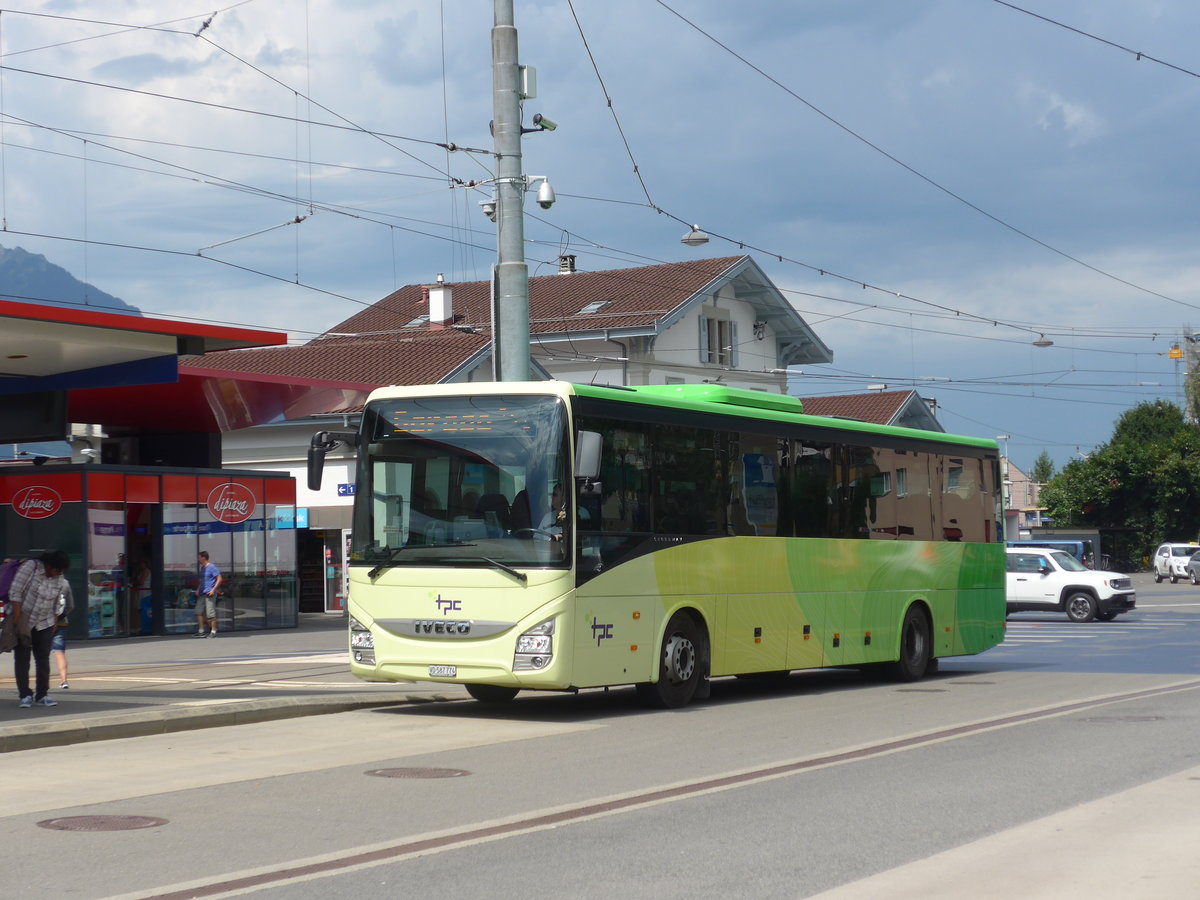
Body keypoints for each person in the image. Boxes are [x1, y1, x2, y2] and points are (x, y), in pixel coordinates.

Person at [10, 549, 71, 709]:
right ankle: (25, 695)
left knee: (43, 658)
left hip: (45, 621)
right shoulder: (31, 567)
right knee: (22, 658)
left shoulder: (59, 576)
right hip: (25, 619)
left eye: (60, 571)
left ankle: (42, 694)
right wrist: (17, 621)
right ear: (48, 565)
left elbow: (57, 601)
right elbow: (15, 593)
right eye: (56, 570)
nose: (57, 573)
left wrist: (54, 622)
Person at [194, 550, 223, 638]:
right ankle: (201, 631)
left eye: (199, 557)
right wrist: (198, 589)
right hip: (202, 592)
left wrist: (213, 590)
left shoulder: (212, 567)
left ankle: (213, 631)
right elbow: (202, 580)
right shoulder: (202, 568)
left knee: (210, 613)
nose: (198, 559)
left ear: (203, 558)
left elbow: (219, 579)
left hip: (210, 593)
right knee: (198, 611)